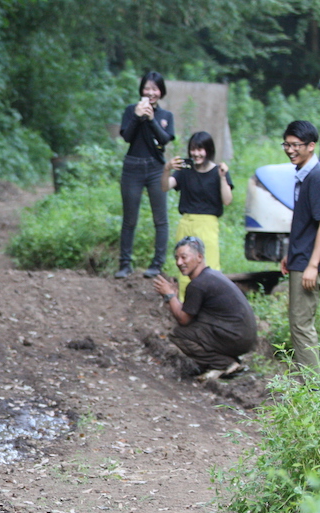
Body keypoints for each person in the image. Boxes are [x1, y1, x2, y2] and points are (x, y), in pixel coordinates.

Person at [152, 236, 257, 381]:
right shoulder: (210, 276)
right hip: (243, 337)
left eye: (184, 257)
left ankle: (224, 364)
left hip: (236, 338)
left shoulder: (198, 284)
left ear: (199, 257)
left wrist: (169, 296)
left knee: (179, 334)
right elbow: (189, 312)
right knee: (193, 326)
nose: (179, 262)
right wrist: (174, 297)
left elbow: (183, 319)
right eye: (177, 258)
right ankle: (224, 361)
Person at [279, 120, 320, 373]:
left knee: (301, 326)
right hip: (300, 259)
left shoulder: (318, 177)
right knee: (298, 325)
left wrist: (312, 265)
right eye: (286, 144)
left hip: (310, 263)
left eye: (296, 145)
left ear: (311, 146)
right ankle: (307, 384)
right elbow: (305, 223)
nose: (290, 150)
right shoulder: (304, 174)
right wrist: (290, 255)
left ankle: (312, 389)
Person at [117, 71, 175, 280]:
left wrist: (151, 119)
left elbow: (164, 139)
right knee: (129, 219)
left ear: (161, 92)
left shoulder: (166, 116)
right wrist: (137, 116)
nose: (151, 92)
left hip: (156, 168)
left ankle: (157, 264)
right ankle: (125, 265)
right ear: (141, 90)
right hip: (132, 167)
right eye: (147, 88)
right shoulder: (130, 110)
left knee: (160, 219)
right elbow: (127, 137)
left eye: (155, 88)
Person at [161, 131, 233, 300]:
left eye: (200, 149)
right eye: (193, 149)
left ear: (209, 150)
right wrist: (167, 169)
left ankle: (210, 305)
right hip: (187, 223)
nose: (196, 154)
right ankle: (185, 306)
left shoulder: (218, 171)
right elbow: (165, 187)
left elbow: (227, 200)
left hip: (208, 224)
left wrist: (223, 178)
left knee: (210, 267)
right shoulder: (185, 169)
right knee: (185, 266)